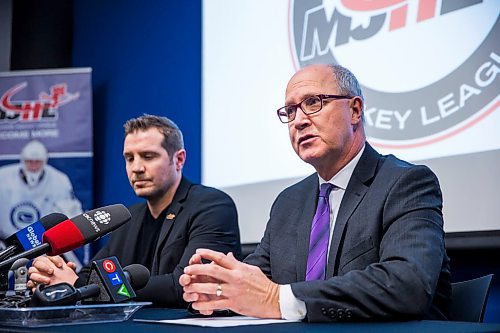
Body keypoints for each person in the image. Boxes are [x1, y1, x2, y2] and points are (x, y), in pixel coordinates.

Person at [180, 64, 451, 322]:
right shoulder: (289, 201)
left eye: (313, 103)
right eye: (290, 111)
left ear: (355, 110)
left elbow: (407, 284)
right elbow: (257, 282)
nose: (298, 121)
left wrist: (277, 298)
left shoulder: (405, 182)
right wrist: (218, 292)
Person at [28, 114, 242, 307]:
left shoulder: (212, 205)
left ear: (179, 159)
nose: (137, 168)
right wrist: (57, 276)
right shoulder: (127, 218)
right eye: (129, 158)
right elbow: (89, 274)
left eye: (148, 156)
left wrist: (77, 284)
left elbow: (185, 286)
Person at [0, 140, 83, 245]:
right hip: (7, 242)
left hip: (44, 243)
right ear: (22, 160)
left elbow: (71, 213)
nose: (33, 167)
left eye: (37, 162)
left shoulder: (59, 180)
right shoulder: (3, 177)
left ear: (44, 161)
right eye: (29, 162)